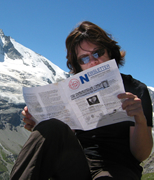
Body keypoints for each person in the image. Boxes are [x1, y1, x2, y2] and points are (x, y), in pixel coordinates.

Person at [10, 21, 153, 180]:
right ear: (78, 66)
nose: (93, 61)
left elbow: (141, 155)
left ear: (110, 52)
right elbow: (66, 136)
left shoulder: (135, 89)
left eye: (98, 53)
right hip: (77, 164)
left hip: (118, 168)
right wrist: (40, 125)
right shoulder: (74, 91)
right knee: (50, 126)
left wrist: (140, 119)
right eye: (84, 58)